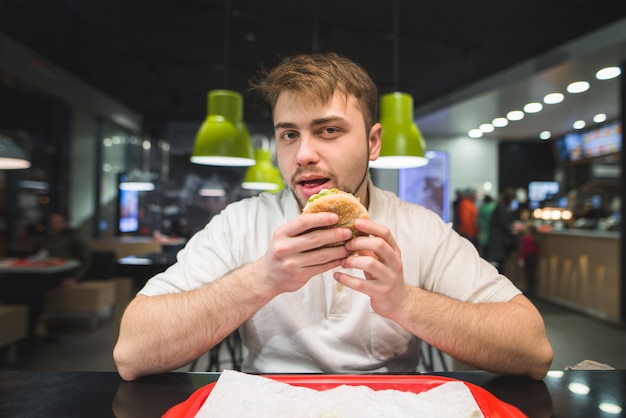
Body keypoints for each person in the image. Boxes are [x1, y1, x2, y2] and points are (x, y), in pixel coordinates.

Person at [114, 53, 553, 381]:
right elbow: (132, 353)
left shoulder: (419, 228)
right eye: (289, 134)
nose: (304, 154)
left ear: (373, 142)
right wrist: (263, 278)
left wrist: (405, 302)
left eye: (328, 130)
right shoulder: (240, 223)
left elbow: (533, 349)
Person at [487, 188, 518, 272]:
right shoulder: (501, 209)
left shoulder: (499, 208)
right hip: (499, 242)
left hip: (497, 241)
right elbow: (504, 224)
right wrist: (512, 230)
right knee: (499, 266)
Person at [518, 222, 540, 298]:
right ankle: (531, 290)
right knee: (531, 274)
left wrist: (522, 259)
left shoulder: (526, 239)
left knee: (528, 274)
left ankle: (529, 290)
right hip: (533, 257)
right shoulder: (535, 238)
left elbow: (524, 250)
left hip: (527, 258)